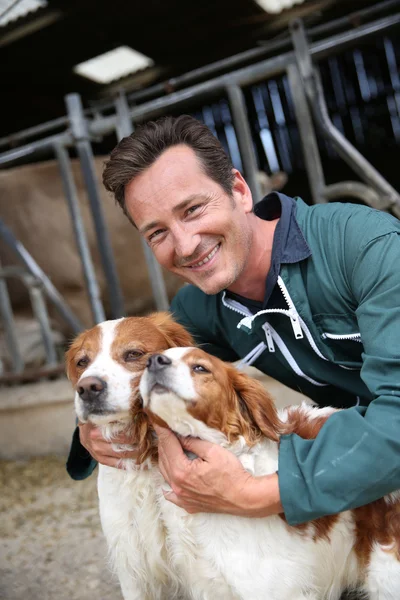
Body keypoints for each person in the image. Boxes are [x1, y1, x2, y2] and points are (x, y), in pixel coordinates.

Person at [67, 115, 400, 527]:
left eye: (192, 209)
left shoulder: (364, 246)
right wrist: (92, 428)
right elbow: (130, 374)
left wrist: (256, 493)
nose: (185, 245)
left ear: (239, 190)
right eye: (157, 233)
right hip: (361, 473)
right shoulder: (196, 312)